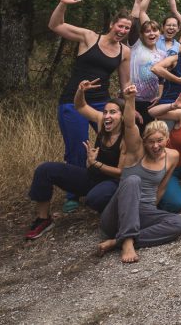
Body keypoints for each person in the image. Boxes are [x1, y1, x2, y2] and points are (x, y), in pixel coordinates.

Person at [48, 0, 131, 212]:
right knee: (76, 146)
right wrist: (64, 3)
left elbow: (125, 85)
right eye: (120, 26)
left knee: (112, 143)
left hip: (103, 103)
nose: (123, 30)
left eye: (127, 28)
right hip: (73, 101)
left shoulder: (125, 51)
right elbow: (55, 25)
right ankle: (73, 194)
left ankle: (105, 182)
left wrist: (130, 110)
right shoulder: (88, 37)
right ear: (111, 25)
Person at [26, 80, 127, 239]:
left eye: (113, 112)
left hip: (113, 183)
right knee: (44, 170)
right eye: (106, 112)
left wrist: (96, 163)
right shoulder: (102, 122)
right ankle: (43, 219)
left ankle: (113, 212)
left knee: (95, 198)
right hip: (91, 177)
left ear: (123, 116)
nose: (107, 116)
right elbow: (80, 107)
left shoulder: (127, 138)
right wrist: (80, 91)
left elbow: (121, 173)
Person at [97, 85, 181, 264]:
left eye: (160, 141)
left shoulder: (173, 156)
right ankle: (127, 241)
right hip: (117, 215)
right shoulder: (136, 152)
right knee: (133, 180)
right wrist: (130, 100)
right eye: (150, 141)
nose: (155, 146)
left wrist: (152, 212)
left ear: (167, 140)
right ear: (144, 142)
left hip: (143, 212)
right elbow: (129, 124)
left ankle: (117, 241)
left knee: (178, 224)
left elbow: (162, 187)